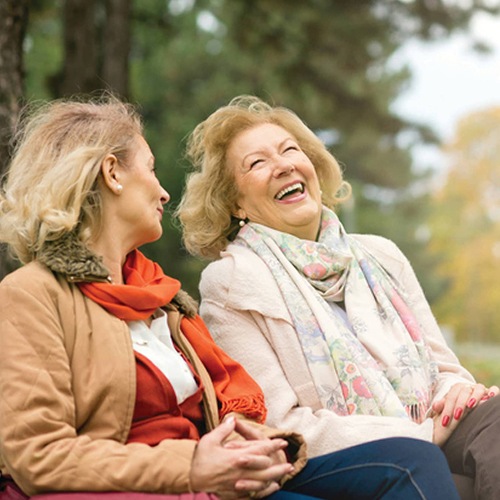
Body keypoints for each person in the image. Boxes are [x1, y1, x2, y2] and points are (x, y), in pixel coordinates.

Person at [0, 96, 460, 500]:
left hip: (219, 479)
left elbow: (235, 407)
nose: (163, 191)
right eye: (153, 169)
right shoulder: (31, 296)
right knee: (410, 462)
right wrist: (193, 463)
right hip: (165, 484)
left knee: (429, 452)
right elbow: (37, 454)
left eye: (290, 151)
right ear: (112, 173)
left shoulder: (165, 302)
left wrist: (255, 449)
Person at [178, 95, 500, 500]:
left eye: (290, 150)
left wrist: (458, 391)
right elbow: (279, 423)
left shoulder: (381, 254)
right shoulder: (231, 282)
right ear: (235, 202)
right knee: (426, 467)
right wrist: (416, 432)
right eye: (257, 163)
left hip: (433, 425)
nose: (283, 165)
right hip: (344, 457)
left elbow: (444, 368)